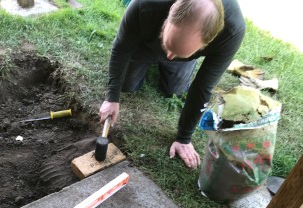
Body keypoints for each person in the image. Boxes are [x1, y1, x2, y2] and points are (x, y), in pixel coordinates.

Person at [99, 0, 245, 168]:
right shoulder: (146, 5)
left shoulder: (232, 32)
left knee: (174, 89)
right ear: (168, 16)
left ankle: (180, 55)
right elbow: (121, 47)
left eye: (176, 52)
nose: (169, 56)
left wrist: (184, 137)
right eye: (169, 47)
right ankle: (162, 48)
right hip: (146, 42)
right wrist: (112, 97)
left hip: (184, 56)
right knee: (125, 83)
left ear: (207, 44)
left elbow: (203, 86)